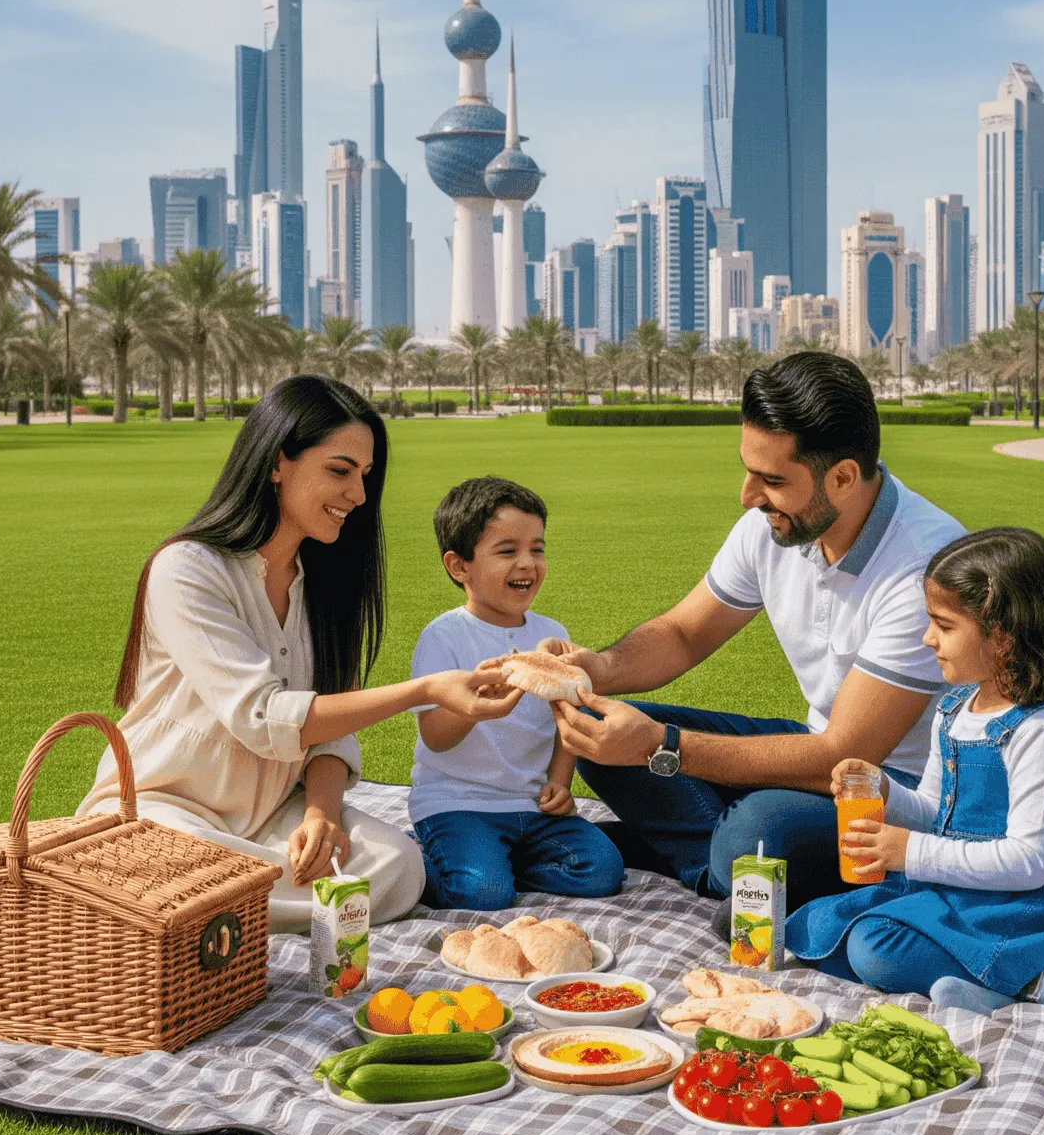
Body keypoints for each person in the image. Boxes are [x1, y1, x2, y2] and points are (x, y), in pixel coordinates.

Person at [77, 375, 523, 931]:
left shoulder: (322, 586)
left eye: (364, 476)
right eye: (339, 471)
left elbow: (331, 729)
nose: (358, 496)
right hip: (168, 811)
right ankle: (195, 905)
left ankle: (207, 915)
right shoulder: (188, 569)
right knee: (189, 871)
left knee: (400, 865)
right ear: (276, 462)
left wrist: (322, 813)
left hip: (270, 819)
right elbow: (263, 718)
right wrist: (426, 690)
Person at [547, 351, 965, 914]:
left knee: (756, 830)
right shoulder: (771, 529)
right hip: (815, 745)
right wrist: (594, 669)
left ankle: (719, 858)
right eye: (749, 469)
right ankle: (729, 864)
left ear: (842, 476)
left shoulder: (923, 568)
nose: (747, 495)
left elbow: (846, 754)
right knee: (597, 723)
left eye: (771, 479)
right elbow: (683, 633)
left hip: (891, 788)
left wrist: (663, 747)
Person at [787, 527, 1044, 1025]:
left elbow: (1030, 861)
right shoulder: (953, 709)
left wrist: (908, 853)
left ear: (1002, 637)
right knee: (830, 926)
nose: (929, 639)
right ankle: (985, 987)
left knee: (877, 947)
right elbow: (934, 812)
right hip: (962, 889)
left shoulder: (1043, 731)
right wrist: (883, 790)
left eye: (943, 626)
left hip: (1027, 908)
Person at [408, 477, 626, 910]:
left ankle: (495, 865)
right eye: (507, 551)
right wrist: (478, 701)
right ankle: (418, 857)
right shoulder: (444, 637)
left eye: (537, 549)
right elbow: (436, 737)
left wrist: (560, 784)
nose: (528, 563)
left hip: (531, 807)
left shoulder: (552, 635)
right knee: (482, 894)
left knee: (602, 871)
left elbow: (567, 718)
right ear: (459, 566)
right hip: (458, 803)